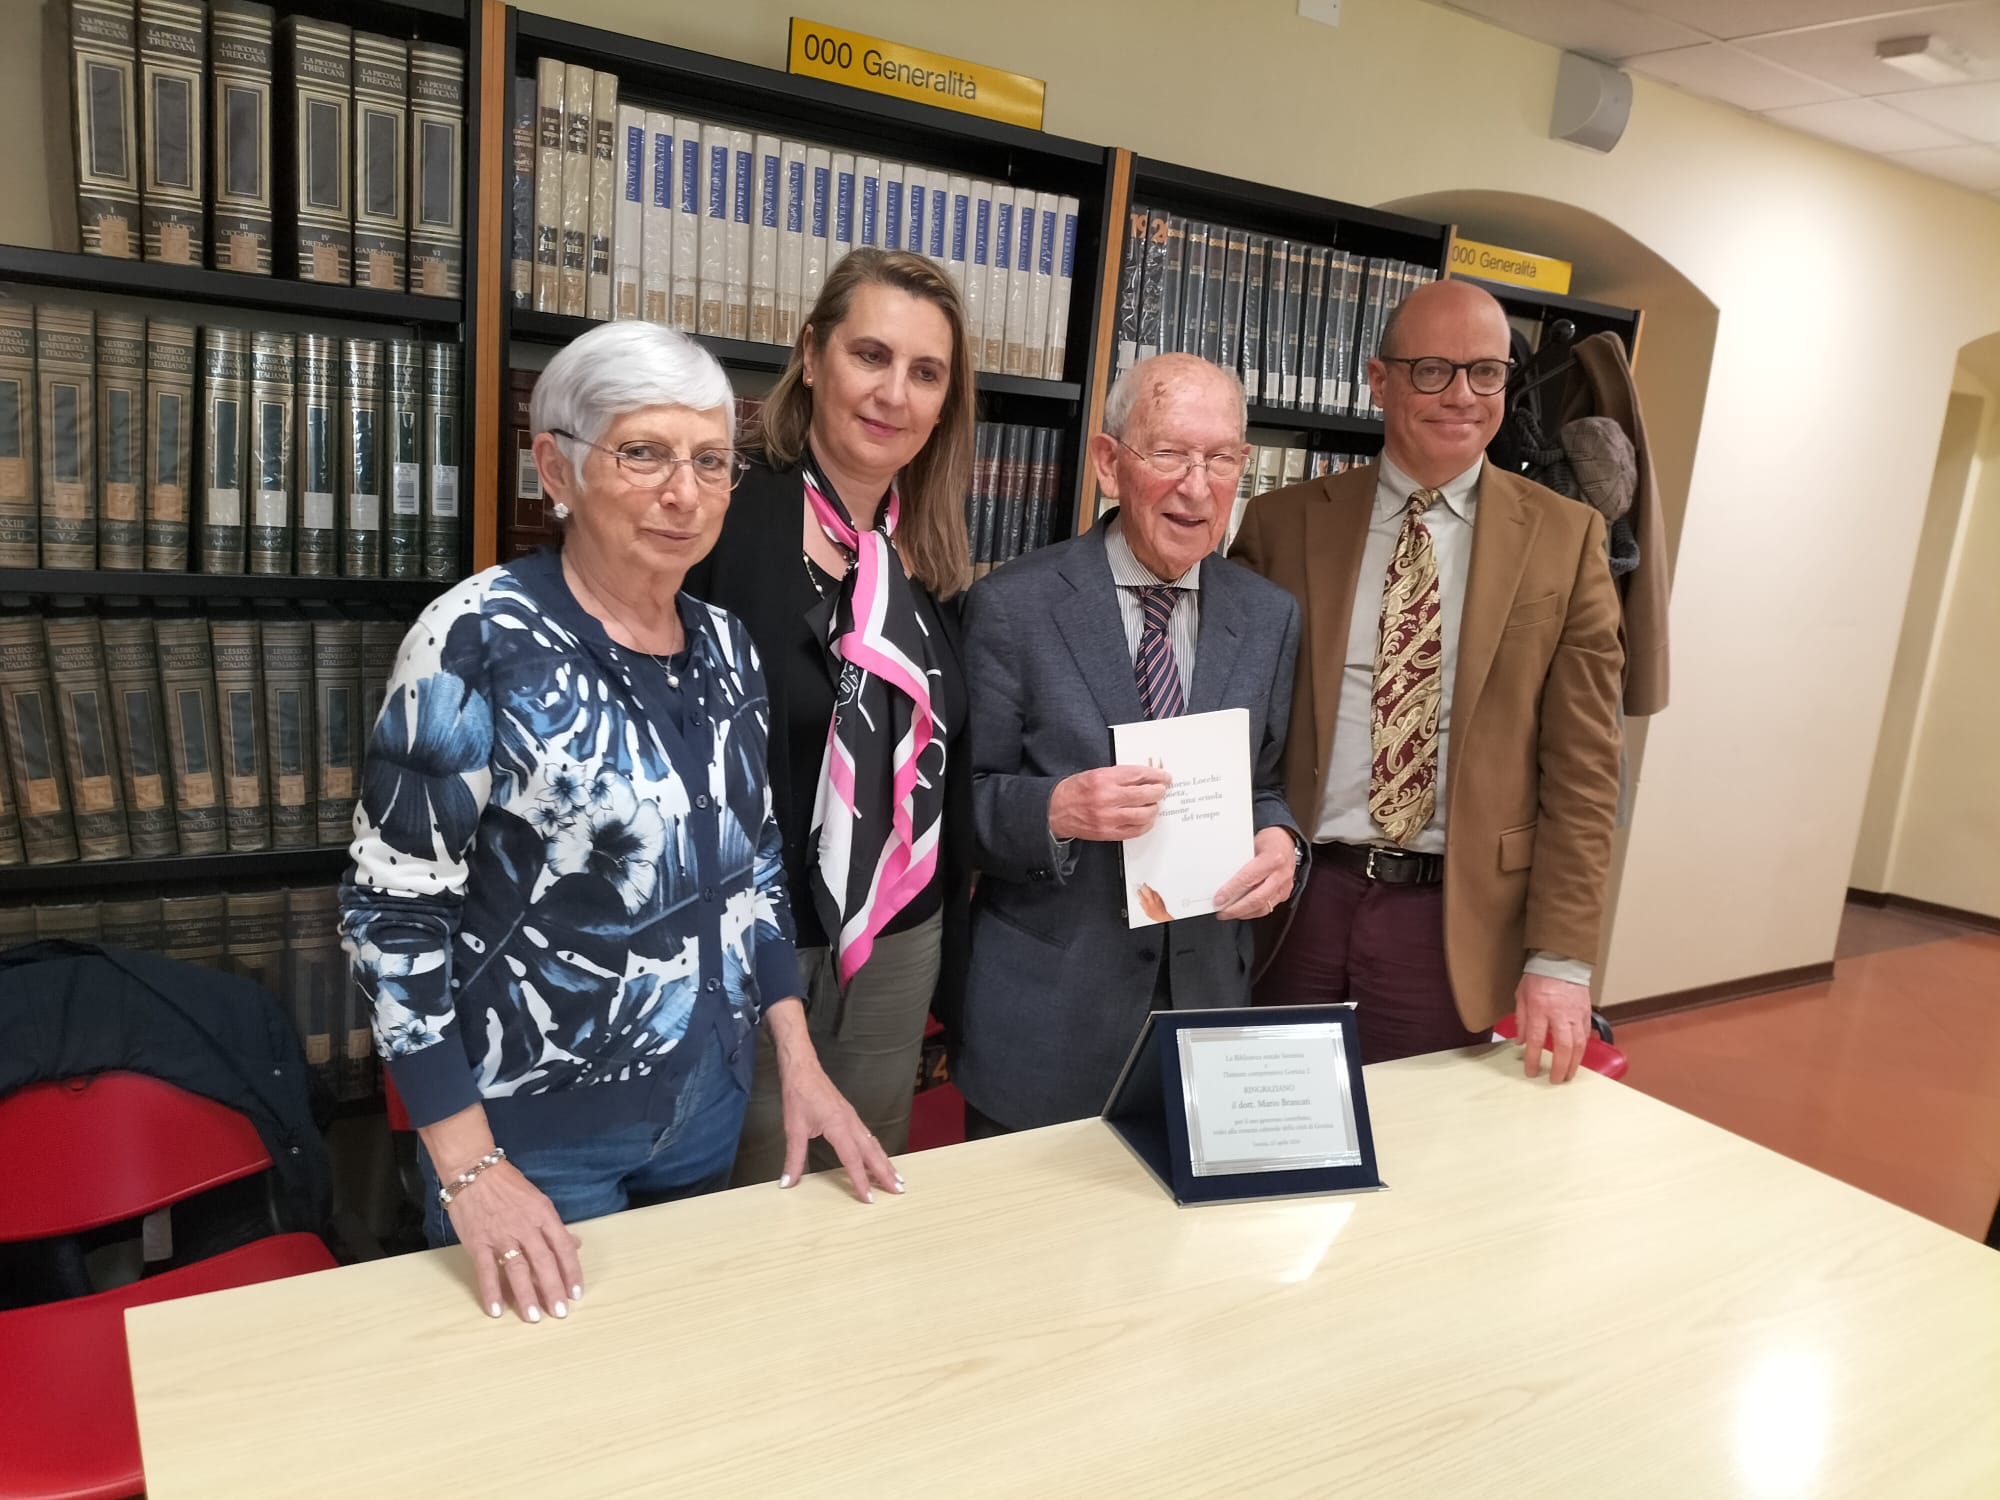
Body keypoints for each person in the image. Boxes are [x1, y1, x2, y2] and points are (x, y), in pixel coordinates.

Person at [340, 321, 897, 1325]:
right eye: (641, 453)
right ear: (556, 465)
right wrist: (467, 1170)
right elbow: (391, 916)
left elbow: (755, 871)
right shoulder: (476, 639)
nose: (683, 493)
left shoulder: (727, 646)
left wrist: (800, 1066)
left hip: (705, 1110)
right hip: (533, 1140)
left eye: (711, 461)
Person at [1230, 279, 1623, 1083]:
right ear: (1380, 380)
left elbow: (1585, 774)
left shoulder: (1565, 537)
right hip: (1297, 900)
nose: (1463, 396)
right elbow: (1233, 721)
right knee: (1271, 1142)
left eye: (1486, 373)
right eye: (1433, 370)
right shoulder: (1282, 525)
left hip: (1453, 918)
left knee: (1424, 1169)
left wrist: (1563, 958)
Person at [954, 353, 1304, 1135]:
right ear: (1111, 464)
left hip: (1204, 1011)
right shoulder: (1013, 607)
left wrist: (1280, 842)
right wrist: (1056, 808)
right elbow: (960, 802)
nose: (1197, 484)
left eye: (1221, 459)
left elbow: (1266, 784)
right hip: (1050, 1018)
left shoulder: (1270, 616)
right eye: (1171, 453)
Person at [683, 248, 975, 1185]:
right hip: (755, 945)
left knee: (861, 1191)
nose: (895, 393)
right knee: (756, 1195)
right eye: (871, 356)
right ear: (812, 357)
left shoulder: (928, 557)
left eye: (926, 373)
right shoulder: (719, 521)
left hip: (896, 941)